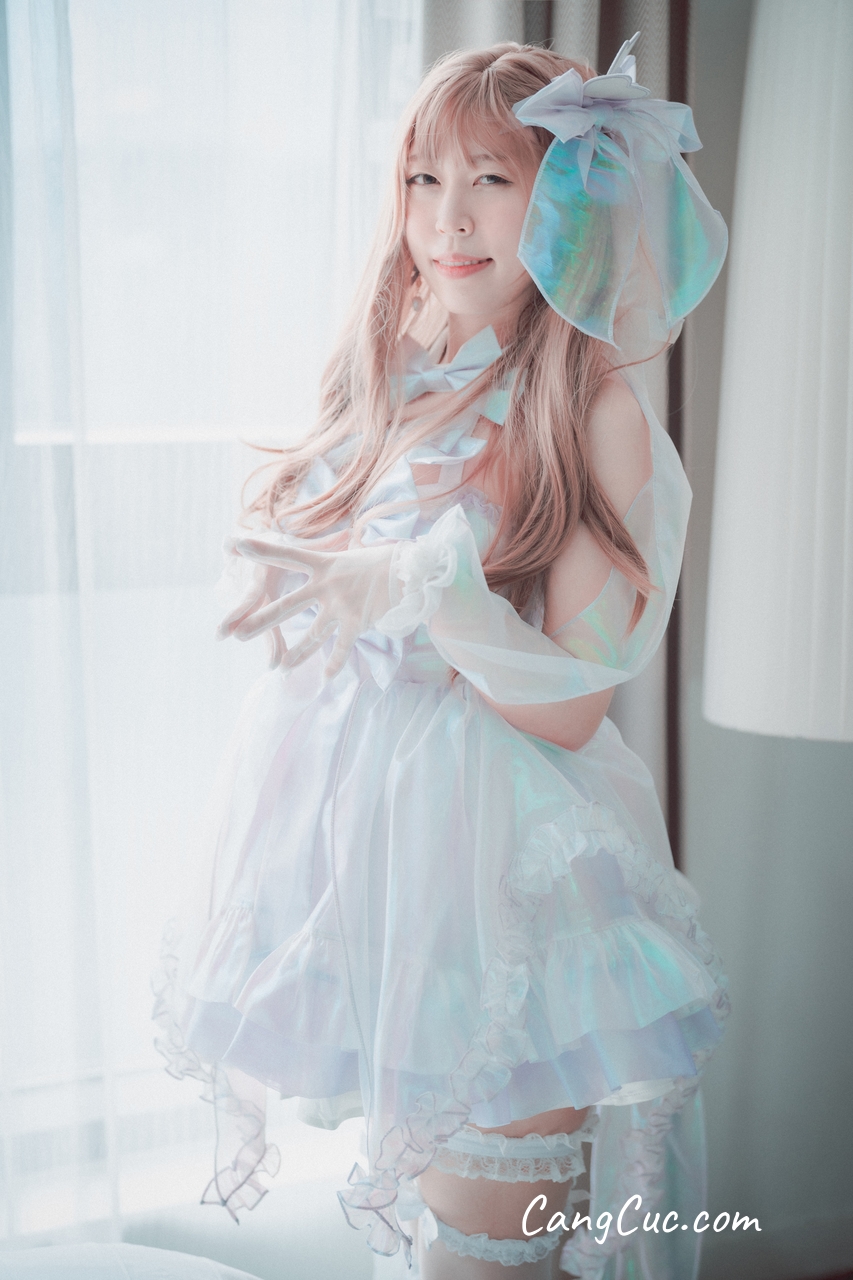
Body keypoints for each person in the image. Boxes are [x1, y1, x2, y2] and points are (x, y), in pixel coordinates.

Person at [154, 35, 729, 1280]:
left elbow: (572, 707)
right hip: (363, 873)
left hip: (495, 875)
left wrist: (432, 596)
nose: (446, 219)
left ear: (569, 199)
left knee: (484, 1259)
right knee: (421, 1248)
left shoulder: (594, 410)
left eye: (491, 180)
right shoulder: (393, 371)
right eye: (423, 178)